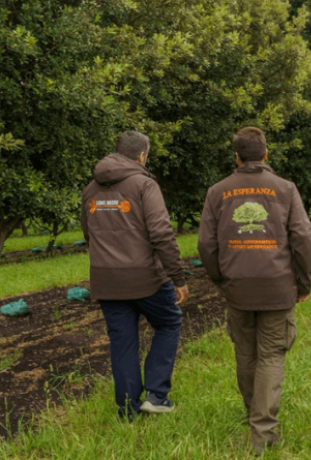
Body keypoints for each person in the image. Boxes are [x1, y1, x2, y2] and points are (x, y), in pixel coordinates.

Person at [198, 127, 311, 454]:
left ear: (236, 156)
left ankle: (254, 413)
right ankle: (262, 432)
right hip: (277, 287)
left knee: (246, 353)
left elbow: (206, 244)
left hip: (238, 288)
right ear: (266, 154)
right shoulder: (285, 189)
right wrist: (303, 283)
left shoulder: (217, 192)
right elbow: (303, 239)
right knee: (271, 355)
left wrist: (221, 278)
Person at [81, 131, 189, 420]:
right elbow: (161, 234)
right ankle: (156, 394)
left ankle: (127, 412)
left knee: (123, 342)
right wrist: (177, 277)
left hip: (106, 281)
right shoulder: (144, 184)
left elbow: (88, 233)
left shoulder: (90, 189)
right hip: (146, 278)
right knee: (168, 323)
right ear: (142, 155)